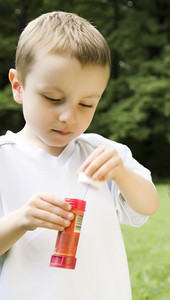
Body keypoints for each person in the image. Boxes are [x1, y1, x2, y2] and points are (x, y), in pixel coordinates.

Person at [0, 11, 159, 299]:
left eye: (86, 104)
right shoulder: (4, 161)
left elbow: (147, 206)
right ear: (18, 86)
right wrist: (22, 219)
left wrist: (122, 174)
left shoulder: (103, 154)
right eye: (53, 98)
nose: (68, 117)